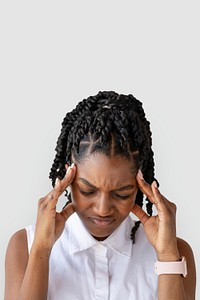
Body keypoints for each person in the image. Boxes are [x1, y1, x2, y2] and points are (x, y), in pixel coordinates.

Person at [4, 91, 196, 300]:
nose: (103, 209)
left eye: (121, 193)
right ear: (69, 177)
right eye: (88, 191)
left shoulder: (176, 252)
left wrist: (167, 255)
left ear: (140, 186)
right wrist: (41, 249)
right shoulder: (25, 245)